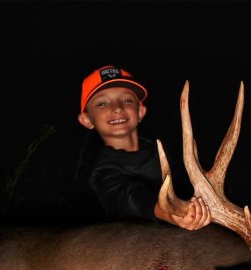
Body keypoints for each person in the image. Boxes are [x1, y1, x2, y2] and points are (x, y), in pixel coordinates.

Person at [77, 65, 211, 230]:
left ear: (140, 112)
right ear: (86, 120)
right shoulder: (100, 172)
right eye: (102, 103)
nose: (118, 108)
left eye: (127, 100)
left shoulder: (169, 151)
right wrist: (172, 213)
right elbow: (130, 198)